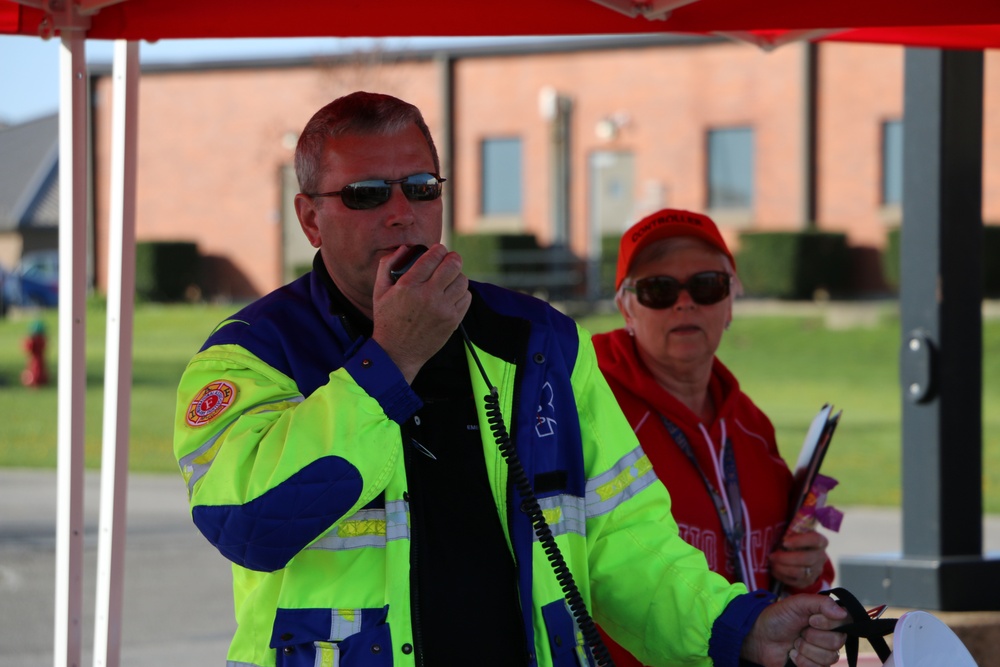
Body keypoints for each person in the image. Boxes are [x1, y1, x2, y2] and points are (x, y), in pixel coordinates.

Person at [173, 91, 848, 667]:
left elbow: (627, 544)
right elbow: (249, 522)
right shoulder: (251, 356)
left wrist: (744, 627)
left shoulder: (539, 340)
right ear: (310, 218)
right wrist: (391, 359)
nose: (400, 211)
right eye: (367, 193)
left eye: (421, 187)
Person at [592, 208, 836, 666]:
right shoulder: (592, 410)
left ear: (730, 302)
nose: (685, 304)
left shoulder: (750, 425)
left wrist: (804, 570)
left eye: (706, 286)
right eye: (658, 290)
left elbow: (792, 569)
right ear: (626, 307)